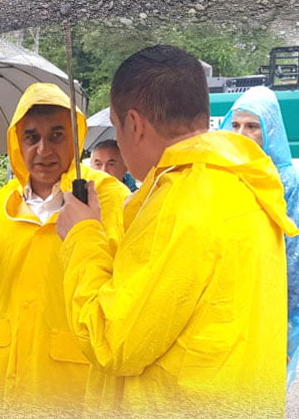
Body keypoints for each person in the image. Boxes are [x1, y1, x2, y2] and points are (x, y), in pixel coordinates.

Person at [57, 46, 299, 417]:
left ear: (134, 125)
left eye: (118, 131)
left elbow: (113, 340)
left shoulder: (179, 205)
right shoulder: (243, 183)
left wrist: (83, 235)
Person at [0, 82, 129, 418]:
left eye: (56, 135)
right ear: (17, 143)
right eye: (32, 137)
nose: (43, 150)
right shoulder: (5, 203)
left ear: (76, 139)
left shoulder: (108, 198)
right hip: (4, 385)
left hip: (76, 390)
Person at [224, 86, 299, 386]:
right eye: (236, 125)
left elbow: (294, 254)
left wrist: (284, 313)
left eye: (253, 126)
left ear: (271, 130)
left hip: (275, 299)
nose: (242, 133)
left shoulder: (288, 182)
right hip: (234, 296)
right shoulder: (227, 172)